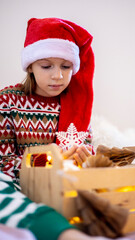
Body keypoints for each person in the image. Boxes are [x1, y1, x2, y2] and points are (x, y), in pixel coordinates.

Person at [0, 17, 107, 240]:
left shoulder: (77, 106)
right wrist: (51, 158)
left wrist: (83, 158)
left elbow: (86, 156)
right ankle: (58, 230)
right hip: (21, 186)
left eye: (66, 66)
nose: (57, 75)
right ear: (30, 65)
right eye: (46, 66)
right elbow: (4, 164)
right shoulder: (7, 101)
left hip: (65, 186)